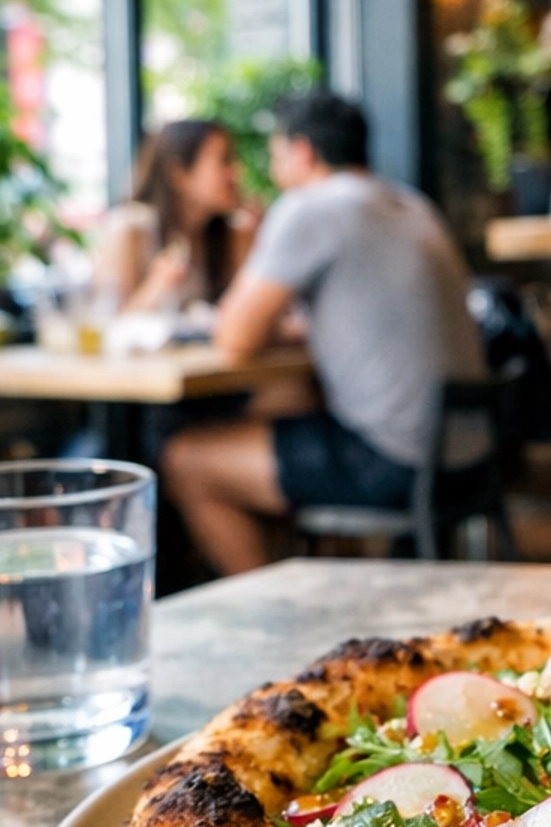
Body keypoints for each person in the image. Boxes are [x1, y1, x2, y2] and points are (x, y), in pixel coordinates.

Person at [160, 90, 484, 576]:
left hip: (398, 461)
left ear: (302, 152)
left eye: (273, 156)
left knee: (187, 461)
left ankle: (276, 622)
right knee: (284, 398)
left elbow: (233, 335)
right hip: (471, 455)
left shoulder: (311, 208)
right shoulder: (412, 205)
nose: (270, 172)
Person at [95, 119, 256, 313]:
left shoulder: (234, 235)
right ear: (178, 173)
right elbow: (105, 326)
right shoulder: (128, 230)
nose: (237, 172)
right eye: (224, 160)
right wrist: (156, 287)